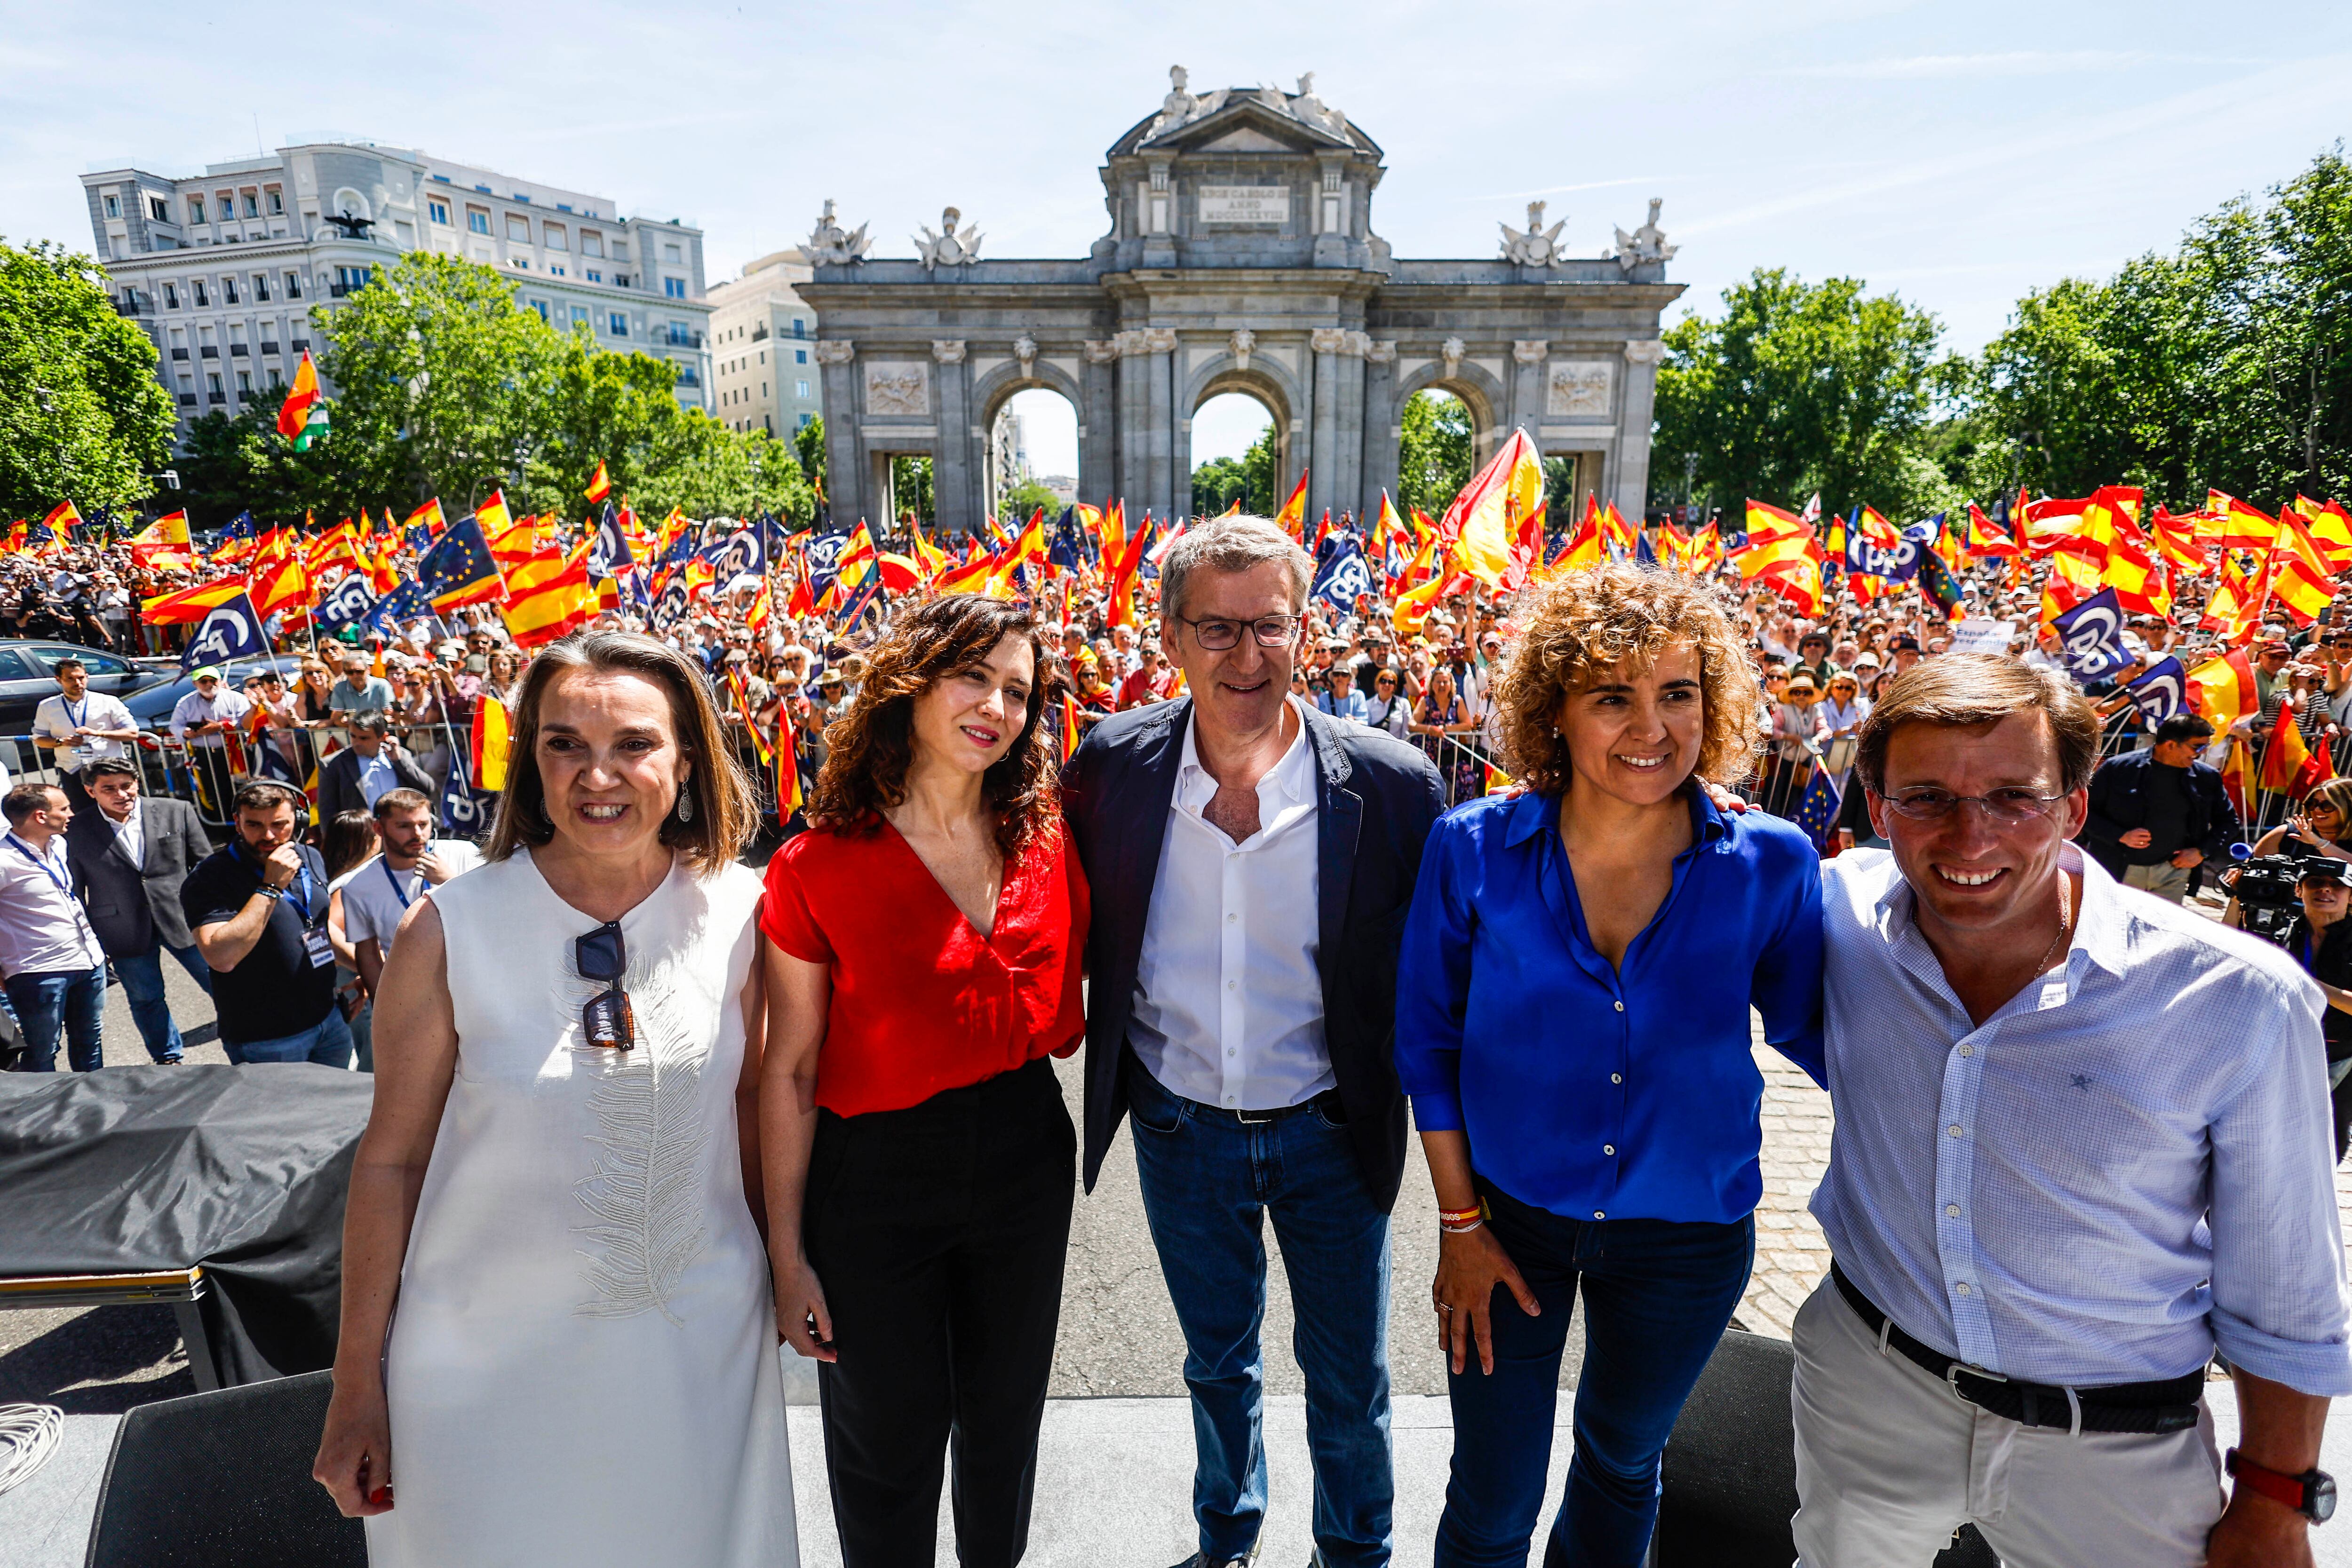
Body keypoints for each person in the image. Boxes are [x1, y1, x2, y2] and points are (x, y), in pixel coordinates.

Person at [1795, 654, 2350, 1567]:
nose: (1970, 837)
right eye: (1926, 796)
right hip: (1869, 1393)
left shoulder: (2236, 999)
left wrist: (2275, 1501)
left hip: (2115, 1449)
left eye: (2014, 796)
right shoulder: (1843, 913)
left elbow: (2285, 1288)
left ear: (2075, 806)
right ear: (1876, 805)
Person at [314, 630, 795, 1567]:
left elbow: (755, 1106)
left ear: (687, 758)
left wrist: (785, 1262)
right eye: (564, 742)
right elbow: (389, 1160)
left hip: (690, 1356)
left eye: (633, 744)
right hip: (476, 1367)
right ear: (529, 762)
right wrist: (353, 1385)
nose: (596, 773)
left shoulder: (748, 911)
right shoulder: (446, 927)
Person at [1395, 563, 1824, 1568]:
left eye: (1678, 692)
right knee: (1494, 1496)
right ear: (1555, 714)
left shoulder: (1771, 861)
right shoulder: (1473, 848)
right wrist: (1459, 1226)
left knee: (1624, 1465)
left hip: (1688, 1243)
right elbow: (1426, 1043)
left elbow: (1826, 1032)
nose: (1651, 725)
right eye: (1613, 696)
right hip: (1507, 1229)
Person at [1059, 516, 1444, 1568]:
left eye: (1267, 625)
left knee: (1349, 1377)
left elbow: (1452, 952)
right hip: (1179, 1126)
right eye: (1216, 629)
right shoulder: (1111, 768)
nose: (1244, 655)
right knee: (1215, 1361)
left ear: (1304, 629)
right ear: (1171, 636)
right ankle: (1226, 1534)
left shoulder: (1396, 783)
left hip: (1332, 1128)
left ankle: (1354, 1550)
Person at [761, 594, 1085, 1568]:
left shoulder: (1047, 839)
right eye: (972, 675)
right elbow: (789, 1067)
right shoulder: (814, 864)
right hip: (874, 1175)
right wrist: (786, 1254)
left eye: (1019, 690)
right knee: (884, 1442)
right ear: (912, 680)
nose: (996, 704)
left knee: (1003, 1426)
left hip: (1026, 1148)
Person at [183, 781, 353, 1067]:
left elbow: (316, 927)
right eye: (254, 825)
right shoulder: (210, 877)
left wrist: (370, 975)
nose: (269, 836)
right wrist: (270, 887)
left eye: (279, 824)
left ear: (298, 820)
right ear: (237, 823)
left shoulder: (308, 855)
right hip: (268, 1039)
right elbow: (220, 957)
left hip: (329, 1021)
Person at [63, 758, 214, 1065]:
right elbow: (75, 890)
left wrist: (214, 914)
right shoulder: (77, 829)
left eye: (126, 785)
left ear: (137, 783)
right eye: (109, 789)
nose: (121, 794)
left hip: (185, 919)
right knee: (146, 999)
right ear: (91, 791)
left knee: (223, 983)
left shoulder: (176, 810)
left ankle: (249, 1035)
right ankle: (168, 1058)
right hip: (121, 927)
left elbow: (206, 867)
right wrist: (87, 937)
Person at [0, 782, 109, 1073]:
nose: (71, 814)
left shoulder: (59, 844)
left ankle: (94, 1105)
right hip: (39, 971)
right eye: (64, 809)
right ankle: (41, 1113)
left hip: (88, 960)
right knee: (43, 1050)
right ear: (40, 816)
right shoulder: (4, 860)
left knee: (90, 1041)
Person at [342, 788, 484, 1011]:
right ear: (379, 829)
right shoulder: (357, 886)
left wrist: (450, 882)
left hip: (475, 985)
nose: (418, 834)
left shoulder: (464, 854)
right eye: (404, 826)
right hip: (415, 998)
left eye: (424, 824)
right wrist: (387, 1009)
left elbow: (494, 913)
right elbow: (367, 953)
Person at [2080, 711, 2240, 902]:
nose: (2203, 752)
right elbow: (2083, 814)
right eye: (2197, 746)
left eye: (2206, 745)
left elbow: (2229, 822)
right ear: (2170, 744)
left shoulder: (2207, 778)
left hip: (2173, 874)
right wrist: (2120, 835)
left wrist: (2201, 852)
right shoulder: (2119, 769)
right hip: (2117, 869)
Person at [2285, 856, 2352, 1163]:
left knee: (2328, 1145)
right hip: (2281, 1045)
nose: (2326, 889)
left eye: (2337, 885)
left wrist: (2309, 985)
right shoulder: (2281, 928)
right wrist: (2238, 900)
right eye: (2315, 882)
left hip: (2340, 1056)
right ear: (2299, 889)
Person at [30, 655, 140, 810]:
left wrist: (98, 733)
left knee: (117, 810)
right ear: (59, 680)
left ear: (87, 677)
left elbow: (132, 733)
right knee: (83, 817)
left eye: (81, 678)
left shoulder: (108, 702)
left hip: (109, 769)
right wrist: (61, 742)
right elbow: (39, 739)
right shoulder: (47, 706)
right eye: (70, 679)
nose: (77, 683)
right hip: (72, 771)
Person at [322, 810, 381, 1072]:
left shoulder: (332, 874)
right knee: (374, 1052)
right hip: (355, 976)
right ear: (368, 841)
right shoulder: (347, 885)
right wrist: (365, 968)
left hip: (349, 975)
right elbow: (329, 928)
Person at [318, 713, 436, 822]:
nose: (356, 743)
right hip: (362, 835)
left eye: (364, 738)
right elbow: (327, 812)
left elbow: (427, 788)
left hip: (399, 831)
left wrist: (399, 762)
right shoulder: (333, 764)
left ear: (383, 737)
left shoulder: (400, 756)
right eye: (353, 736)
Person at [169, 666, 251, 818]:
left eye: (213, 681)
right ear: (195, 683)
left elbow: (246, 722)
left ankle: (241, 822)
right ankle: (219, 825)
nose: (209, 685)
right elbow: (175, 726)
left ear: (219, 681)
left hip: (233, 753)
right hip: (203, 755)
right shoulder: (186, 702)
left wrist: (220, 727)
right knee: (211, 791)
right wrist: (187, 732)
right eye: (204, 681)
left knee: (239, 790)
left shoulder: (235, 698)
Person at [329, 653, 395, 720]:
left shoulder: (382, 685)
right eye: (350, 672)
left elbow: (390, 715)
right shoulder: (340, 688)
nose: (355, 676)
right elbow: (337, 718)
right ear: (345, 672)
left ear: (368, 670)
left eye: (359, 672)